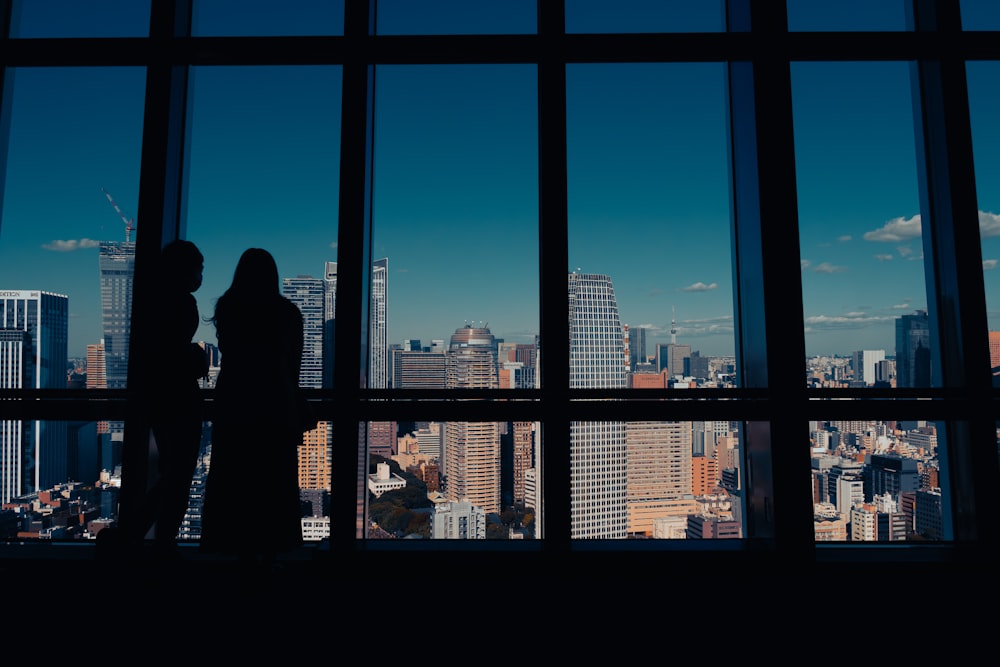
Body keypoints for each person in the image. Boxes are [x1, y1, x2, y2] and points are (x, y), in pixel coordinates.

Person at [200, 248, 308, 567]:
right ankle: (272, 554)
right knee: (275, 482)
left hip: (234, 401)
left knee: (234, 479)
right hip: (275, 402)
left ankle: (239, 553)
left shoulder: (229, 307)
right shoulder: (287, 313)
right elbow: (294, 365)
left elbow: (229, 354)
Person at [137, 239, 209, 559]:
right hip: (180, 400)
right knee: (178, 476)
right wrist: (195, 357)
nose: (201, 276)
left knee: (172, 473)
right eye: (199, 269)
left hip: (159, 399)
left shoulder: (153, 301)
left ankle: (144, 537)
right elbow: (177, 354)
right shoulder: (181, 303)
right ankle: (158, 541)